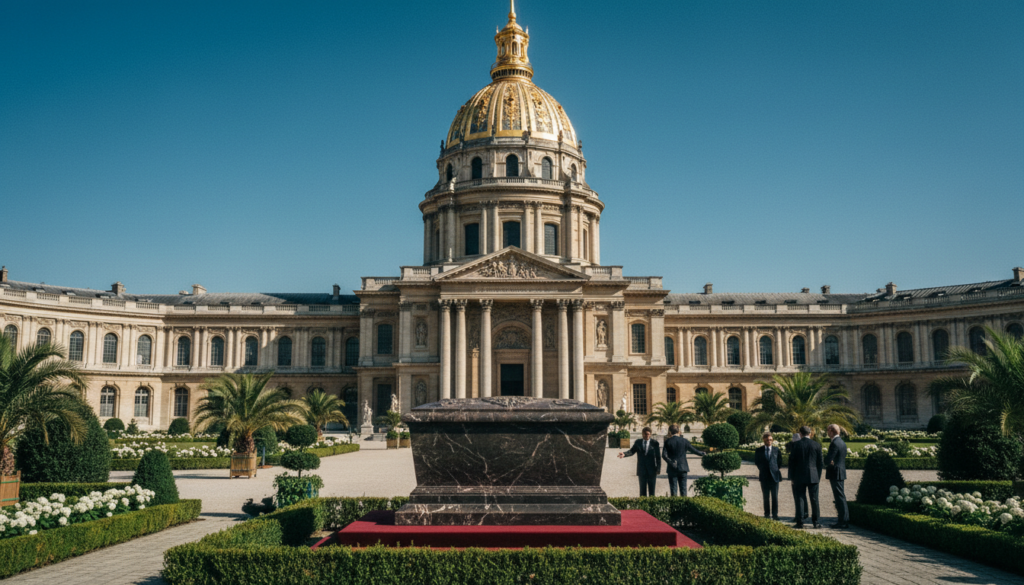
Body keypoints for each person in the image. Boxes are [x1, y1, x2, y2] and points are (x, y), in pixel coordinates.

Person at [788, 425, 823, 529]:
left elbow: (791, 463)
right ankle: (816, 522)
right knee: (814, 499)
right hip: (813, 476)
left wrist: (792, 477)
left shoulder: (796, 445)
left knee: (800, 498)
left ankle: (800, 522)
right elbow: (820, 463)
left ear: (800, 434)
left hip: (799, 475)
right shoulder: (817, 445)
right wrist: (818, 476)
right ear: (810, 433)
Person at [661, 424, 704, 496]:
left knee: (673, 489)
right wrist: (702, 453)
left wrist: (671, 462)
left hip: (672, 468)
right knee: (683, 489)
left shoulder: (668, 441)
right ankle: (684, 506)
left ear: (670, 432)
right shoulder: (684, 441)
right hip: (683, 467)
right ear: (679, 431)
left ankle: (674, 506)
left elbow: (664, 455)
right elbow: (693, 450)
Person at [618, 426, 661, 496]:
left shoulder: (655, 443)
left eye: (648, 434)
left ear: (650, 434)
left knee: (652, 491)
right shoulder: (638, 442)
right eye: (645, 434)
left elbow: (658, 457)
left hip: (652, 470)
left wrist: (658, 469)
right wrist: (624, 454)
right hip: (642, 470)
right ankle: (642, 506)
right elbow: (632, 451)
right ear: (642, 434)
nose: (646, 436)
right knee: (642, 491)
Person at [753, 431, 783, 520]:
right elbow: (757, 462)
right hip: (764, 476)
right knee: (765, 497)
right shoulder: (759, 450)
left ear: (772, 440)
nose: (769, 441)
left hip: (775, 477)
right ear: (764, 440)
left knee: (775, 497)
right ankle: (766, 514)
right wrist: (763, 469)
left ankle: (775, 515)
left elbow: (779, 462)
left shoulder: (776, 450)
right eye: (767, 440)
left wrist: (775, 469)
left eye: (770, 440)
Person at [825, 423, 849, 529]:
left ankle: (843, 521)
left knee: (839, 497)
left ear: (831, 431)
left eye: (827, 430)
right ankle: (843, 519)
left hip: (836, 472)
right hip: (840, 471)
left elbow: (828, 458)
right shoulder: (841, 442)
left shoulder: (834, 443)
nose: (827, 432)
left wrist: (827, 461)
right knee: (840, 496)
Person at [785, 432, 808, 521]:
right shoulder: (805, 446)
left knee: (798, 496)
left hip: (797, 476)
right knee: (803, 495)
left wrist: (791, 477)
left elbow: (792, 464)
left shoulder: (795, 448)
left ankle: (799, 515)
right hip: (806, 474)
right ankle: (804, 512)